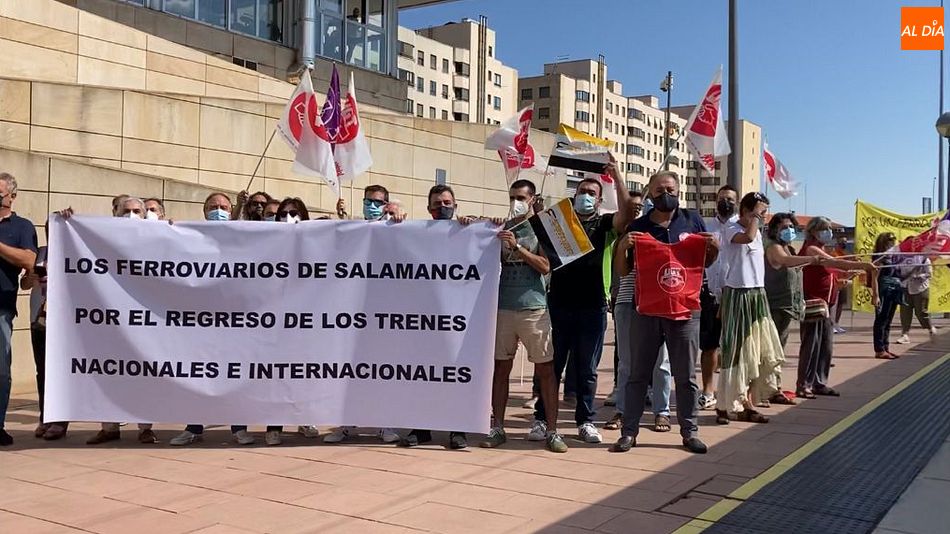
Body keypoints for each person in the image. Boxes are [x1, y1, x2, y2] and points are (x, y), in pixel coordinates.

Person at [610, 171, 717, 454]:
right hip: (646, 310)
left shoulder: (692, 220)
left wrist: (714, 248)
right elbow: (623, 270)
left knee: (685, 376)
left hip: (684, 310)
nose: (665, 194)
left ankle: (690, 432)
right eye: (658, 190)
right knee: (637, 373)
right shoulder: (639, 226)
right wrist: (622, 247)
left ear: (678, 190)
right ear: (650, 193)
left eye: (669, 189)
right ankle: (629, 432)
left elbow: (704, 262)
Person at [531, 156, 633, 445]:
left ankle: (585, 421)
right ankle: (542, 418)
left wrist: (617, 175)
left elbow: (627, 214)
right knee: (552, 366)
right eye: (582, 192)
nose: (585, 196)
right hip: (559, 305)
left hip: (592, 307)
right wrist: (537, 211)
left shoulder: (604, 224)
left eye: (591, 193)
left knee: (587, 369)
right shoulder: (560, 222)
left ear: (599, 201)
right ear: (573, 195)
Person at [479, 179, 567, 453]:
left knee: (546, 371)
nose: (515, 202)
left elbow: (545, 266)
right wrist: (473, 223)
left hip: (534, 309)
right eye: (512, 197)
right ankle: (497, 427)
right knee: (500, 369)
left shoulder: (542, 229)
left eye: (521, 198)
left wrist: (517, 247)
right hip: (503, 308)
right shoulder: (501, 227)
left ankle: (552, 431)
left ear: (532, 199)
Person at [322, 187, 404, 446]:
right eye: (367, 200)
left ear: (387, 204)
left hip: (383, 314)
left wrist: (398, 218)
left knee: (382, 370)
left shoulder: (395, 227)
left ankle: (384, 423)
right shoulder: (354, 227)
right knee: (349, 372)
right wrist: (342, 219)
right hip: (351, 313)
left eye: (377, 202)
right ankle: (346, 423)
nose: (371, 205)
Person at [399, 185, 475, 449]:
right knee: (423, 375)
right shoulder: (418, 233)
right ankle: (421, 429)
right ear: (428, 208)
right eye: (437, 203)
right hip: (423, 320)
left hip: (457, 319)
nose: (442, 207)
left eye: (447, 203)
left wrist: (475, 226)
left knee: (456, 374)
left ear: (455, 205)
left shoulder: (466, 232)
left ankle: (458, 429)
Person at [86, 197, 159, 444]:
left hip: (145, 319)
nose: (131, 215)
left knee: (146, 375)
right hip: (111, 318)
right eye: (125, 211)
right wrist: (67, 220)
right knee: (109, 371)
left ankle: (145, 427)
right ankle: (109, 427)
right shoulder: (102, 236)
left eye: (137, 211)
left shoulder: (155, 238)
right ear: (115, 213)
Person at [714, 193, 785, 424]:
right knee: (736, 350)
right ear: (745, 211)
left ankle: (748, 402)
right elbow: (747, 237)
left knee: (758, 349)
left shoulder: (758, 232)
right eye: (759, 213)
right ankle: (726, 403)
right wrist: (755, 218)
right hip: (738, 293)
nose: (762, 218)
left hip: (757, 293)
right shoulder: (731, 227)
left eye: (763, 213)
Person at [607, 193, 674, 434]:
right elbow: (620, 271)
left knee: (661, 363)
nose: (641, 213)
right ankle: (623, 410)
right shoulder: (628, 235)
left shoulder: (667, 234)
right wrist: (624, 246)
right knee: (626, 362)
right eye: (636, 209)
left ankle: (661, 411)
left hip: (658, 303)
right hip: (628, 302)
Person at [797, 217, 877, 398]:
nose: (829, 233)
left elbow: (832, 271)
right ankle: (804, 384)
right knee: (811, 345)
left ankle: (819, 383)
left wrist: (847, 275)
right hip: (814, 302)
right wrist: (863, 265)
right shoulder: (812, 249)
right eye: (825, 229)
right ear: (814, 231)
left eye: (829, 229)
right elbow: (835, 263)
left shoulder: (822, 248)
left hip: (827, 304)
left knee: (825, 345)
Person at [21, 220, 69, 440]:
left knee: (59, 372)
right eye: (50, 230)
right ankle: (45, 417)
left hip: (62, 323)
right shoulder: (40, 252)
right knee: (42, 372)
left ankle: (59, 421)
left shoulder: (74, 255)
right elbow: (25, 285)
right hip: (39, 319)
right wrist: (30, 277)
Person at [0, 172, 38, 446]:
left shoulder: (22, 226)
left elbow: (29, 260)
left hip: (1, 306)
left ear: (12, 197)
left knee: (1, 369)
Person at [763, 213, 814, 407]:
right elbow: (785, 261)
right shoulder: (774, 247)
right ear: (774, 229)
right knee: (769, 351)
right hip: (774, 306)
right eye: (784, 227)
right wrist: (812, 259)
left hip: (787, 307)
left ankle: (773, 387)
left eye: (791, 227)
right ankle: (765, 390)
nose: (789, 230)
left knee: (778, 350)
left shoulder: (789, 248)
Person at [698, 185, 738, 411]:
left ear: (737, 203)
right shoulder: (705, 225)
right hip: (709, 294)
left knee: (734, 346)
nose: (726, 202)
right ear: (715, 200)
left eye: (730, 199)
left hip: (734, 294)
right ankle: (708, 390)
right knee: (709, 345)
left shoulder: (741, 227)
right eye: (723, 198)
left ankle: (732, 391)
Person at [872, 232, 903, 360]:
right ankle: (879, 349)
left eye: (893, 240)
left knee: (888, 320)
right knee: (881, 319)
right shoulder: (880, 257)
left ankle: (886, 347)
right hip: (884, 290)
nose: (892, 242)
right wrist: (876, 295)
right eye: (890, 240)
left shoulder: (893, 257)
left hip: (894, 290)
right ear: (883, 242)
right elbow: (874, 277)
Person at [896, 255, 934, 344]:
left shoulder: (924, 259)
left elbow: (929, 274)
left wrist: (918, 276)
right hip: (905, 287)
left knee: (921, 313)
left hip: (920, 289)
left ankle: (930, 328)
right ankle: (904, 334)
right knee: (905, 312)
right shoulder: (901, 258)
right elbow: (897, 271)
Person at [831, 238, 849, 334]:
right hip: (836, 282)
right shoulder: (834, 254)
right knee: (834, 304)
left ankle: (836, 323)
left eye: (845, 242)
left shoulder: (845, 255)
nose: (844, 244)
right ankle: (832, 324)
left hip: (844, 281)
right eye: (842, 242)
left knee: (841, 303)